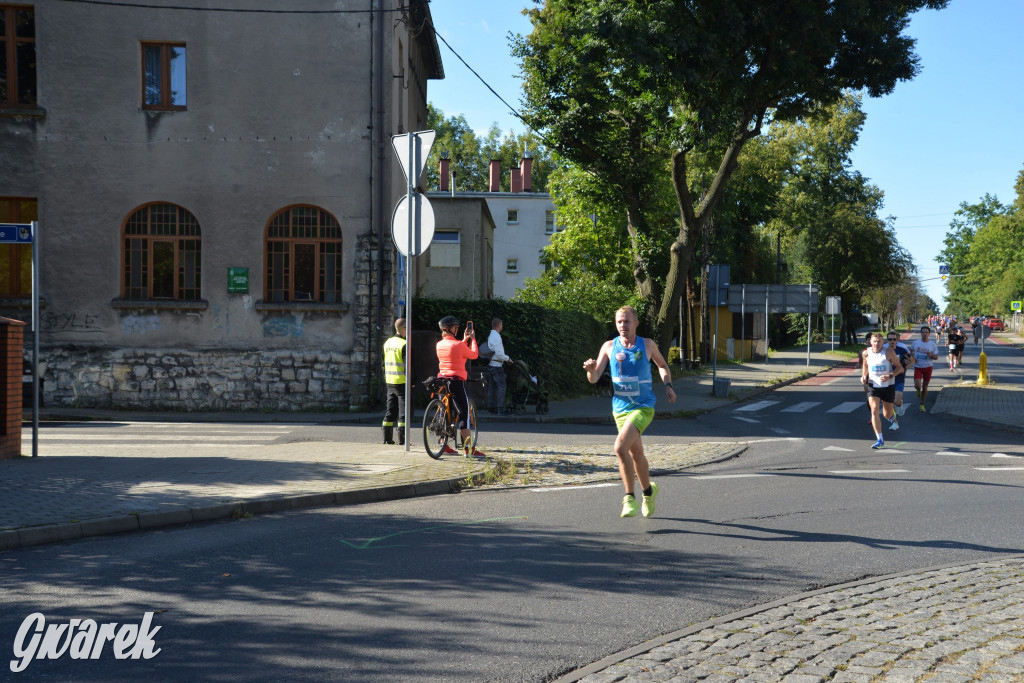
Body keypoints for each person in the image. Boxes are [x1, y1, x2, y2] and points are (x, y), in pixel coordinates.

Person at [583, 306, 676, 518]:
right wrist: (590, 371)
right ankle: (649, 492)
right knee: (636, 454)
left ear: (636, 323)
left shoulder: (648, 344)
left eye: (626, 322)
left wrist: (668, 386)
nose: (622, 326)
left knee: (619, 447)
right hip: (620, 409)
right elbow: (595, 378)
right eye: (619, 322)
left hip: (643, 406)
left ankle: (629, 498)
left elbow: (662, 365)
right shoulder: (609, 346)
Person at [435, 315, 484, 457]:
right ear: (452, 329)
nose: (457, 329)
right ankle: (469, 449)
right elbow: (474, 355)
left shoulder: (439, 344)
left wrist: (464, 340)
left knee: (444, 412)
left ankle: (444, 444)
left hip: (442, 381)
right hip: (456, 381)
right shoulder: (458, 345)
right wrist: (472, 339)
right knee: (464, 413)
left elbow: (455, 351)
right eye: (456, 327)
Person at [861, 330, 903, 449]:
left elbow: (900, 368)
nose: (876, 344)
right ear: (870, 342)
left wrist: (890, 376)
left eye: (879, 342)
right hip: (873, 385)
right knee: (874, 410)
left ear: (882, 342)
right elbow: (865, 366)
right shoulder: (866, 353)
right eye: (874, 341)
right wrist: (864, 376)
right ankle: (879, 439)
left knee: (886, 414)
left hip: (888, 386)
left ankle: (892, 417)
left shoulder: (888, 352)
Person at [381, 317, 407, 445]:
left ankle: (387, 439)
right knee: (403, 412)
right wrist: (412, 381)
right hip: (402, 381)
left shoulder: (387, 343)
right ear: (404, 329)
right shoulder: (404, 344)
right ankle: (402, 440)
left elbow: (383, 363)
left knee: (390, 409)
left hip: (389, 381)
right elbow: (408, 367)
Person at [883, 331, 914, 416]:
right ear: (887, 340)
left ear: (897, 340)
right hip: (887, 378)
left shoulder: (902, 350)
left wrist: (905, 367)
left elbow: (912, 360)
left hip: (899, 378)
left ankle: (900, 405)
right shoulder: (883, 350)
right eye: (890, 339)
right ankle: (894, 419)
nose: (892, 341)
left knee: (896, 401)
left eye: (894, 339)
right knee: (890, 401)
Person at [486, 318, 511, 415]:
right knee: (502, 386)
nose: (502, 326)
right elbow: (499, 353)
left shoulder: (491, 335)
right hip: (497, 365)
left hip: (492, 364)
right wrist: (508, 359)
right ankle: (501, 409)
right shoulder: (496, 336)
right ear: (499, 325)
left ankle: (491, 407)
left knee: (492, 387)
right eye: (501, 324)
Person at [911, 325, 939, 412]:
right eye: (923, 332)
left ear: (929, 334)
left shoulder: (932, 345)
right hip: (918, 367)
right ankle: (918, 390)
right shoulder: (915, 343)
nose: (924, 334)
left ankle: (922, 404)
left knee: (925, 386)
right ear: (921, 333)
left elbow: (936, 357)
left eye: (926, 332)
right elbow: (911, 351)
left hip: (928, 367)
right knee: (918, 385)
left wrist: (931, 356)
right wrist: (912, 358)